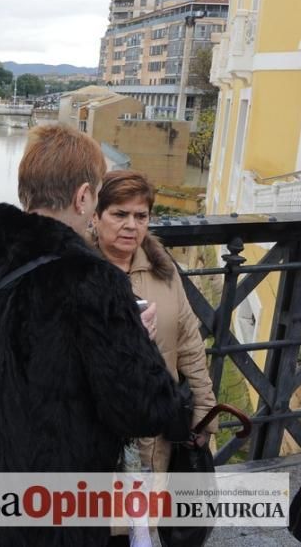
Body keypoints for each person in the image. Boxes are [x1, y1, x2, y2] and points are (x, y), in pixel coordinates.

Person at [0, 125, 179, 547]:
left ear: (26, 189)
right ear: (82, 197)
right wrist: (138, 340)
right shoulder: (95, 281)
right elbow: (144, 410)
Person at [93, 170, 217, 476]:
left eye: (141, 215)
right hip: (98, 430)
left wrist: (204, 410)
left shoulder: (163, 271)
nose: (131, 225)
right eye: (119, 214)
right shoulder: (80, 274)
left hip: (158, 432)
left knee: (151, 512)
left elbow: (188, 341)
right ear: (95, 216)